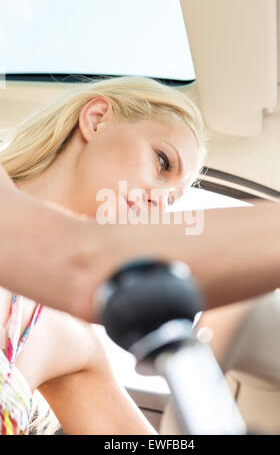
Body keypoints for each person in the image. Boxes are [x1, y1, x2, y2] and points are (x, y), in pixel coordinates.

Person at [0, 75, 208, 435]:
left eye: (172, 200)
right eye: (162, 162)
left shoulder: (74, 341)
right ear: (96, 119)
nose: (160, 202)